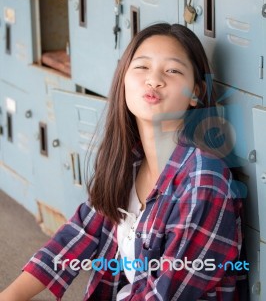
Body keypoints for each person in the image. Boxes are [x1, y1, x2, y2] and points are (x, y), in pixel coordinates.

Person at [0, 23, 248, 301]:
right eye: (142, 67)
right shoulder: (130, 160)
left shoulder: (204, 179)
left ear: (196, 94)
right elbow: (78, 233)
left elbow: (164, 295)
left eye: (173, 71)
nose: (154, 80)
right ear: (123, 78)